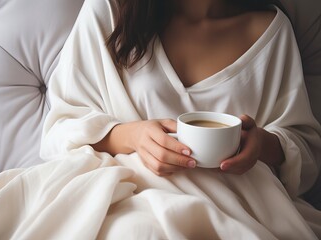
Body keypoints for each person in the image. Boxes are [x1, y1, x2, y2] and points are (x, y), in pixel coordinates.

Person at [40, 0, 321, 238]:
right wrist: (134, 137)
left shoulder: (270, 30)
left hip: (240, 202)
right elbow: (62, 126)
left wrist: (261, 144)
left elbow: (304, 147)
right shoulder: (111, 10)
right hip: (130, 195)